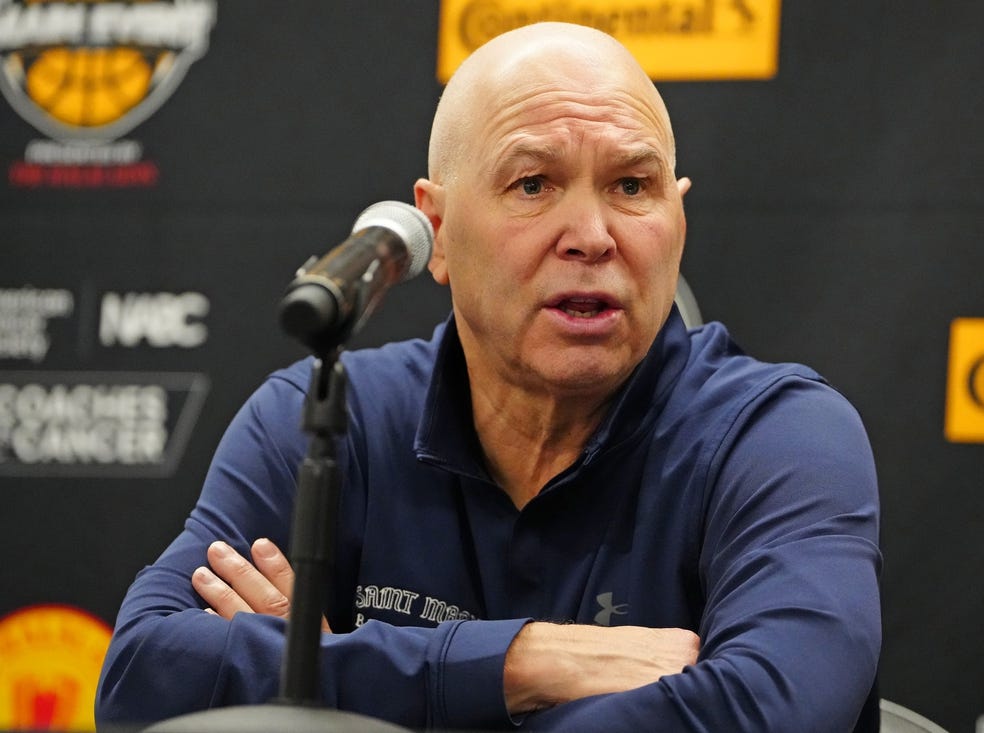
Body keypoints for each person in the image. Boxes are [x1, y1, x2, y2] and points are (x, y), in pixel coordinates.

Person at [96, 21, 882, 732]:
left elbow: (770, 712)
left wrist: (340, 681)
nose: (591, 234)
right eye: (532, 184)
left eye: (631, 186)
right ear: (435, 232)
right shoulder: (329, 416)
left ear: (677, 220)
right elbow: (140, 678)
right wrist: (523, 663)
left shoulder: (781, 435)